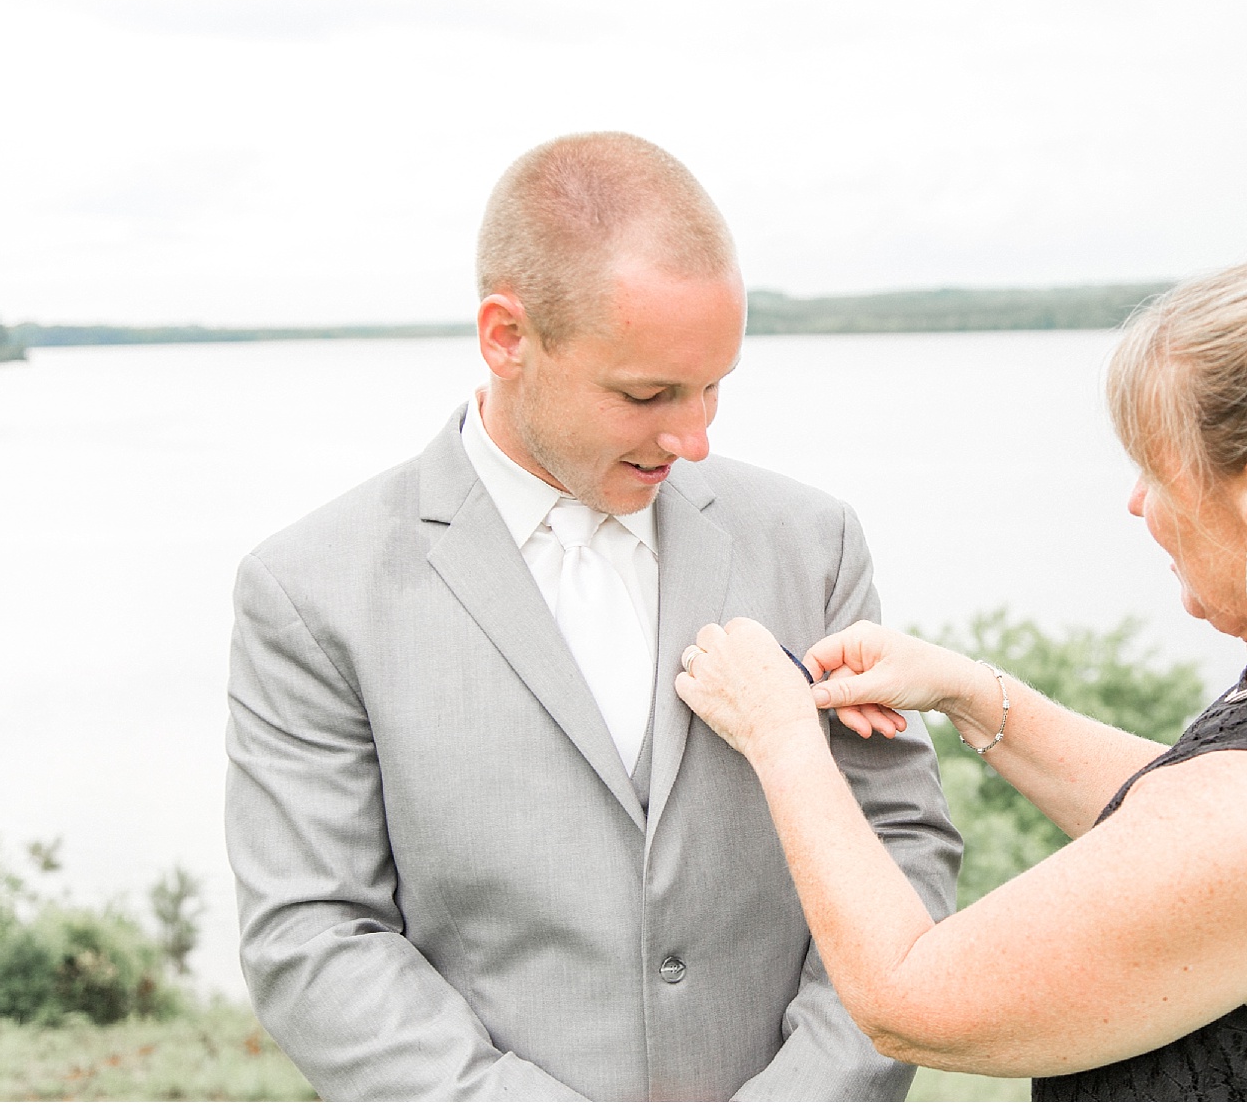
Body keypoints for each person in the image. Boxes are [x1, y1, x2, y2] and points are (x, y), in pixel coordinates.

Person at [675, 253, 1247, 1100]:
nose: (1139, 504)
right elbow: (1185, 820)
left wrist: (781, 735)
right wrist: (969, 693)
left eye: (1158, 472)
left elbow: (907, 999)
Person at [223, 132, 960, 1101]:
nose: (693, 437)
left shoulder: (812, 542)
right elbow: (316, 937)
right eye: (647, 393)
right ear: (506, 336)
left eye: (714, 385)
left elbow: (899, 842)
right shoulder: (311, 589)